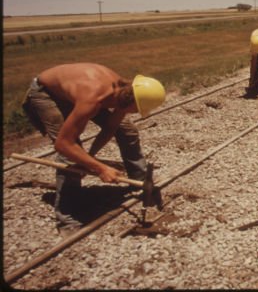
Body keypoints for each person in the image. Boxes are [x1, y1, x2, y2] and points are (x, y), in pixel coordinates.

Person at [21, 63, 166, 236]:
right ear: (132, 102)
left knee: (127, 130)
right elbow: (63, 144)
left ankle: (140, 181)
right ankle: (66, 218)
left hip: (75, 94)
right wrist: (99, 168)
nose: (135, 113)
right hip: (46, 93)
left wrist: (89, 158)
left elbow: (111, 127)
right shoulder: (93, 98)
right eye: (137, 110)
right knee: (71, 153)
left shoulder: (122, 93)